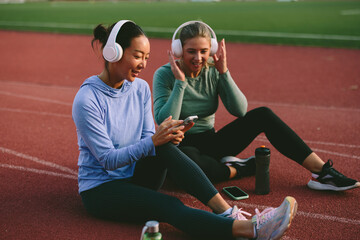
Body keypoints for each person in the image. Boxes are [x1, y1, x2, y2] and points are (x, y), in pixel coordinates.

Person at [72, 20, 298, 240]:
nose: (143, 64)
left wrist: (170, 136)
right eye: (137, 56)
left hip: (136, 175)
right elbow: (108, 160)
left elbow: (147, 140)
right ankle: (249, 231)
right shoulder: (87, 100)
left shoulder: (139, 88)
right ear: (114, 53)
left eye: (147, 58)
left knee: (165, 146)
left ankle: (227, 212)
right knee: (168, 204)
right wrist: (154, 141)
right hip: (102, 190)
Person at [152, 20, 360, 191]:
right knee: (184, 172)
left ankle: (321, 172)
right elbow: (164, 119)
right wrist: (180, 83)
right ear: (179, 50)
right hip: (180, 145)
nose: (198, 58)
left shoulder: (213, 70)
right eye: (191, 51)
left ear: (211, 49)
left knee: (263, 114)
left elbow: (240, 110)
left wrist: (224, 72)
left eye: (204, 51)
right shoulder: (164, 74)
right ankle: (238, 169)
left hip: (210, 141)